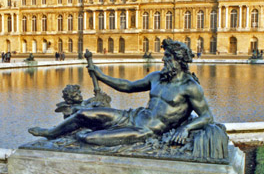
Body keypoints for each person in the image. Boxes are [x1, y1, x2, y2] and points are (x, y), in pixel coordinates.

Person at [29, 39, 214, 147]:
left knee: (88, 138)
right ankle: (51, 133)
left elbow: (207, 116)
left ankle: (88, 135)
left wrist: (185, 128)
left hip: (146, 131)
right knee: (83, 113)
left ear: (178, 61)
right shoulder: (157, 77)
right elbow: (127, 86)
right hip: (132, 116)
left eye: (167, 58)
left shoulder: (190, 87)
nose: (163, 61)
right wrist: (101, 76)